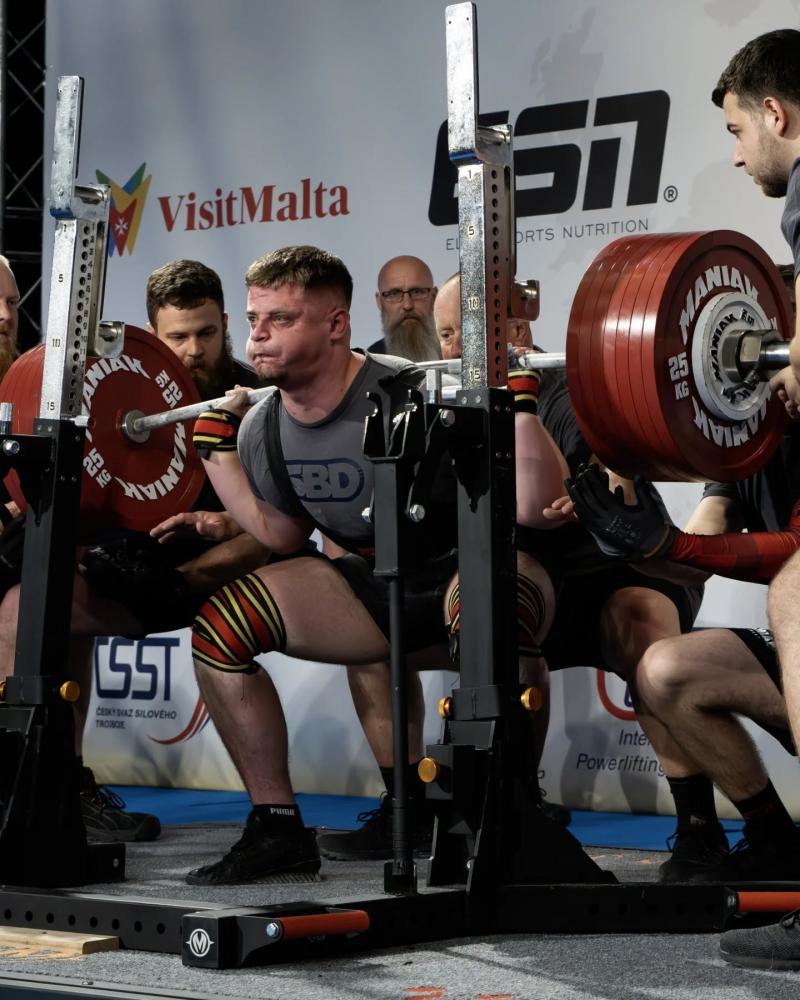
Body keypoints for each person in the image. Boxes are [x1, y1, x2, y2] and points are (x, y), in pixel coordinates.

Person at [152, 244, 567, 885]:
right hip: (378, 583)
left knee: (487, 607)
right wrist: (217, 454)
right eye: (255, 318)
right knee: (220, 629)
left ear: (337, 324)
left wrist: (519, 404)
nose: (257, 335)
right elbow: (282, 532)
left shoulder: (413, 390)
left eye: (281, 319)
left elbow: (537, 509)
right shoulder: (262, 427)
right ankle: (277, 828)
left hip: (476, 565)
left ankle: (509, 809)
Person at [0, 259, 271, 843]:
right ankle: (50, 790)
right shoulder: (118, 394)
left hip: (217, 575)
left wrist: (202, 560)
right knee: (32, 604)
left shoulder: (255, 405)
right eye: (178, 337)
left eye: (206, 333)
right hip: (136, 572)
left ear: (226, 326)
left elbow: (278, 533)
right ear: (151, 336)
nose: (194, 351)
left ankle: (277, 823)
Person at [434, 274, 705, 838]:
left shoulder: (576, 390)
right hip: (537, 572)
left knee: (642, 626)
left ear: (517, 331)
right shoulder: (444, 403)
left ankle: (699, 825)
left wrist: (523, 406)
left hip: (617, 563)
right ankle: (517, 808)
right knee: (490, 607)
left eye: (469, 331)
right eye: (446, 334)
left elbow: (544, 506)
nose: (456, 349)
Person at [366, 255, 441, 361]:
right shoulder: (368, 363)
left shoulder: (457, 351)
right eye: (394, 294)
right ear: (379, 302)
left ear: (434, 297)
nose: (407, 305)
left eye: (417, 292)